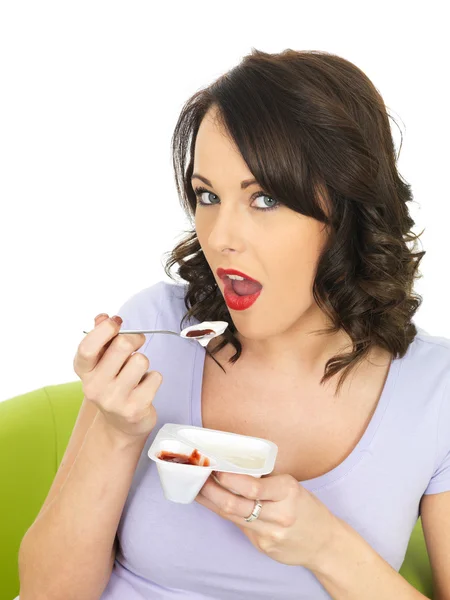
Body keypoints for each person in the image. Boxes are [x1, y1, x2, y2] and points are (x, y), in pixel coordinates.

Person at [17, 48, 450, 600]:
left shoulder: (436, 392)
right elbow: (44, 593)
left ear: (347, 211)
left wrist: (326, 547)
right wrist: (115, 429)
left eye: (264, 198)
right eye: (207, 196)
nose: (220, 237)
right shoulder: (155, 331)